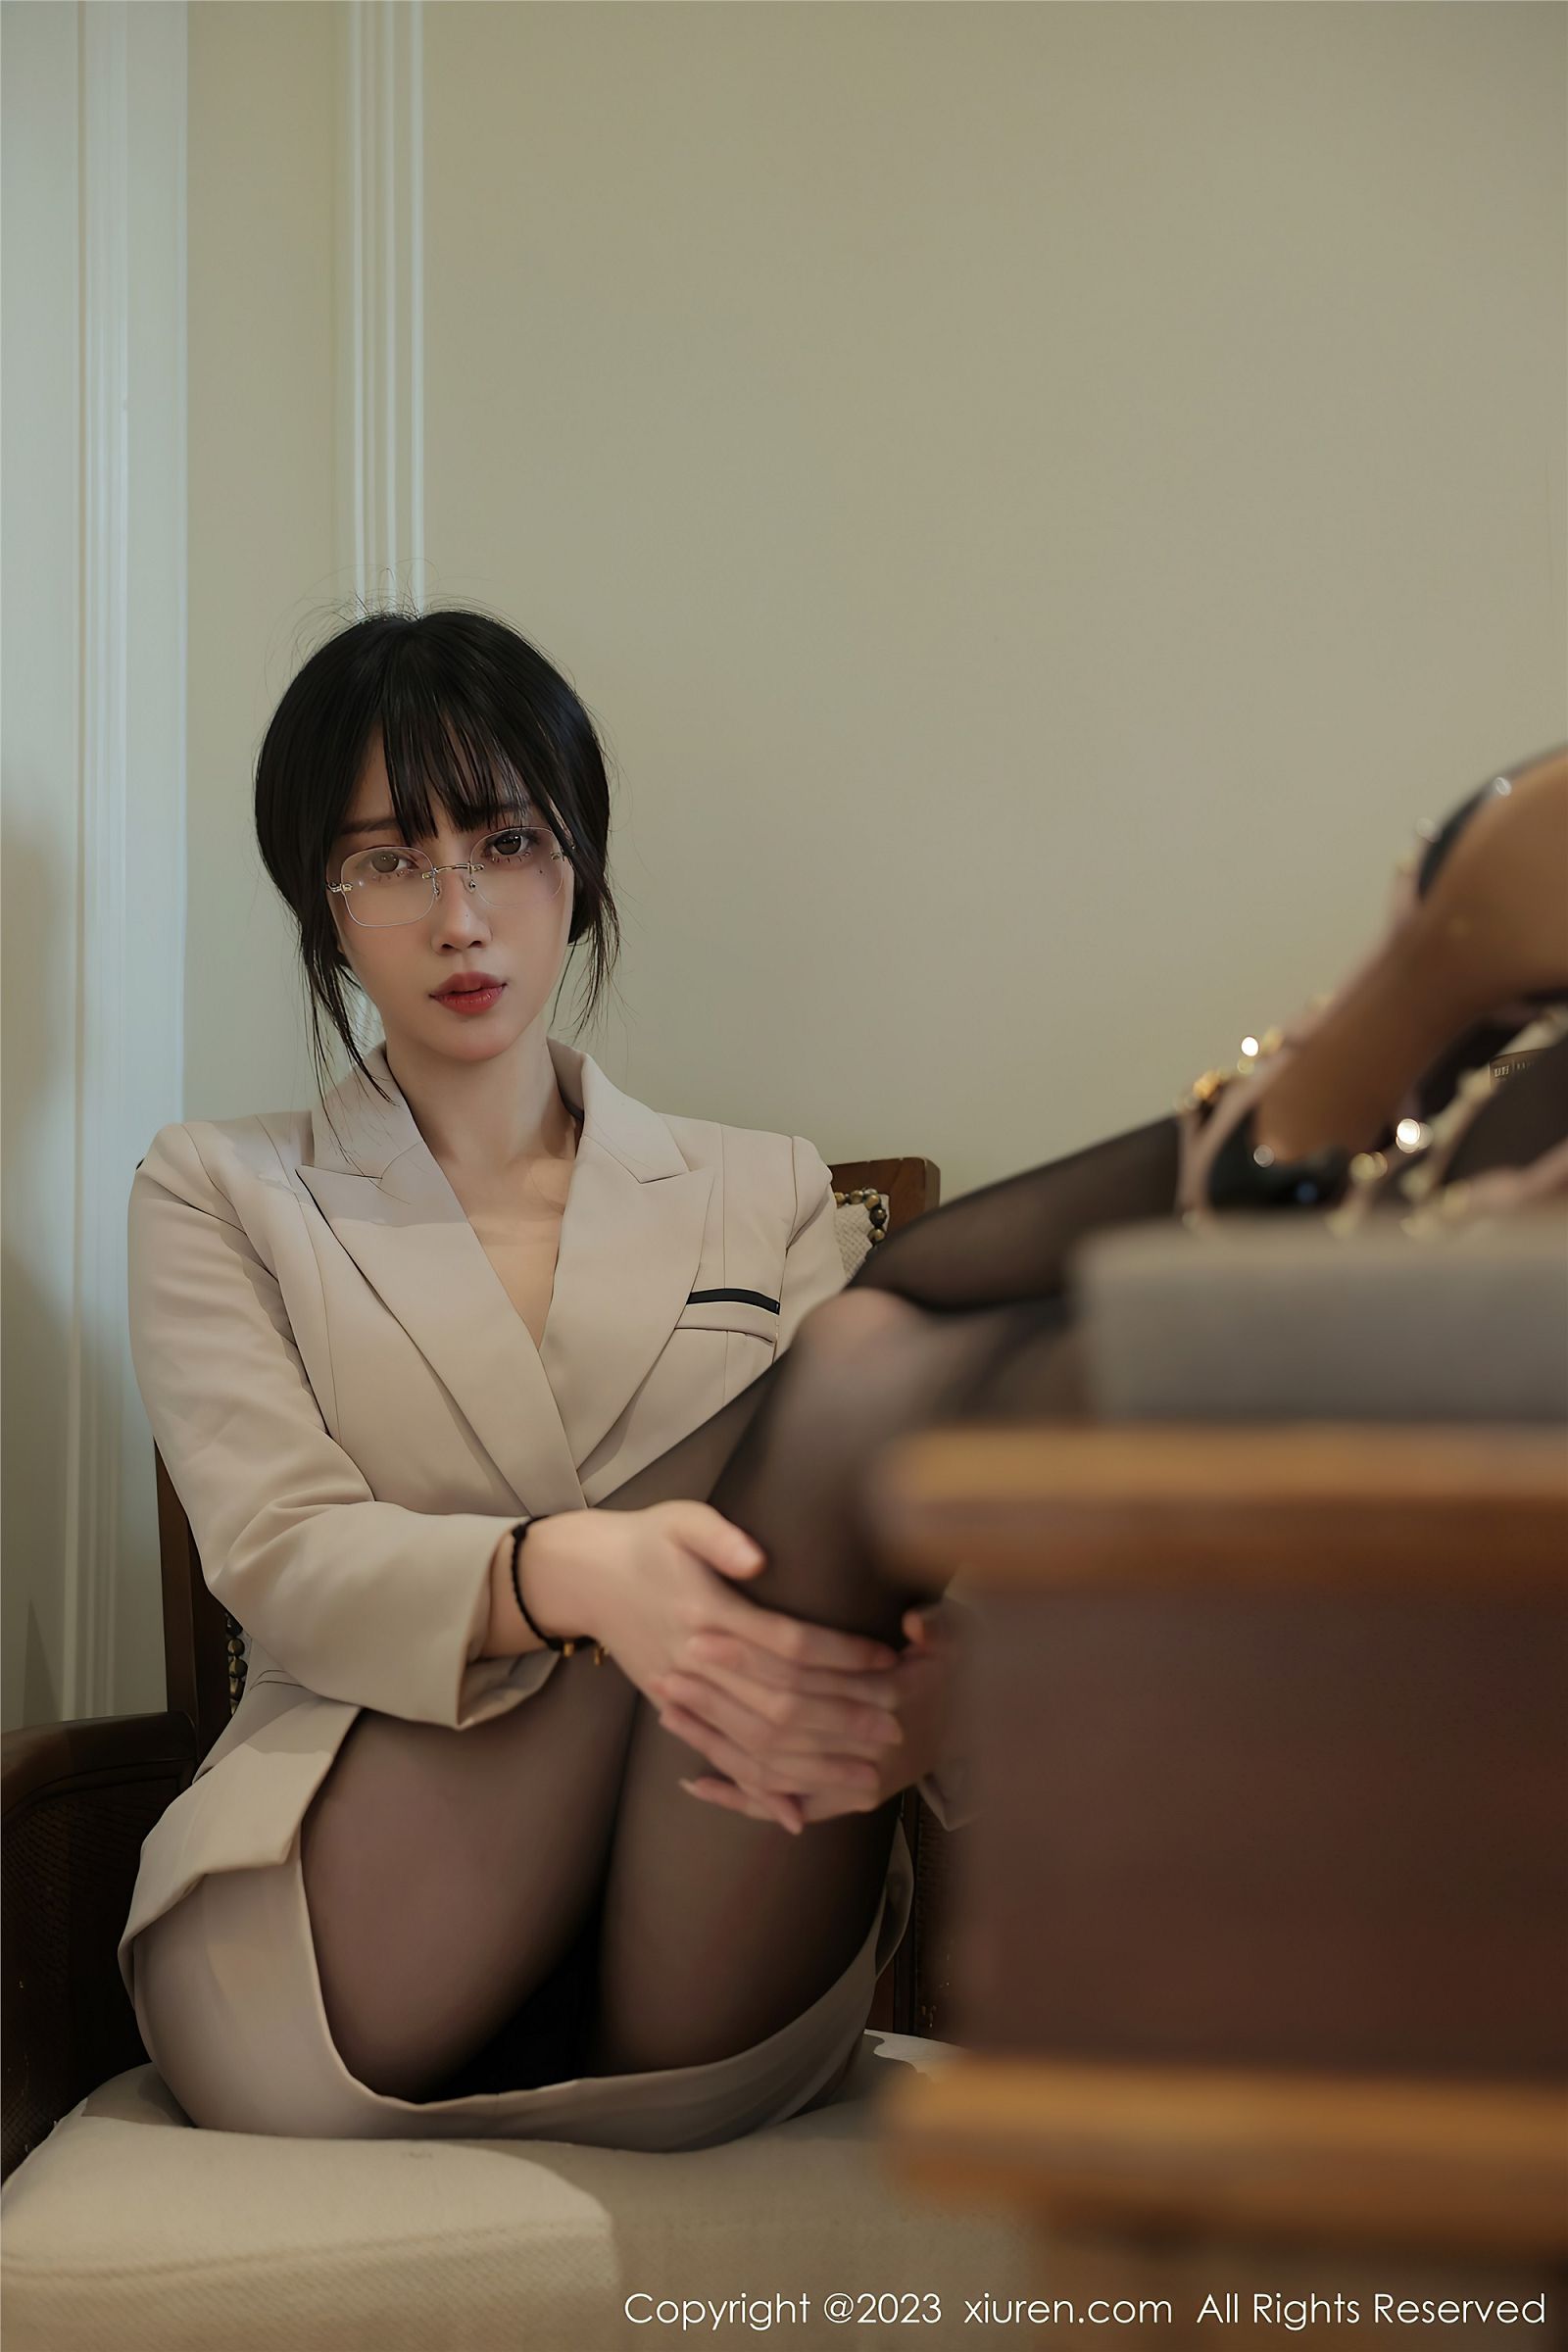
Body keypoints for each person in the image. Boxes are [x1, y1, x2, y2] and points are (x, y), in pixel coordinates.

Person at [120, 606, 1568, 2149]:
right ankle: (1318, 1127)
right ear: (322, 901)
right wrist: (577, 1576)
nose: (461, 914)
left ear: (581, 862)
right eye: (391, 860)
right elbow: (280, 1556)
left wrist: (944, 1699)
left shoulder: (763, 1190)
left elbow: (890, 1553)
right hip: (350, 1945)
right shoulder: (220, 1188)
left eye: (509, 842)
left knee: (870, 1375)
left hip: (713, 1923)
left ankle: (1295, 1141)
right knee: (863, 1364)